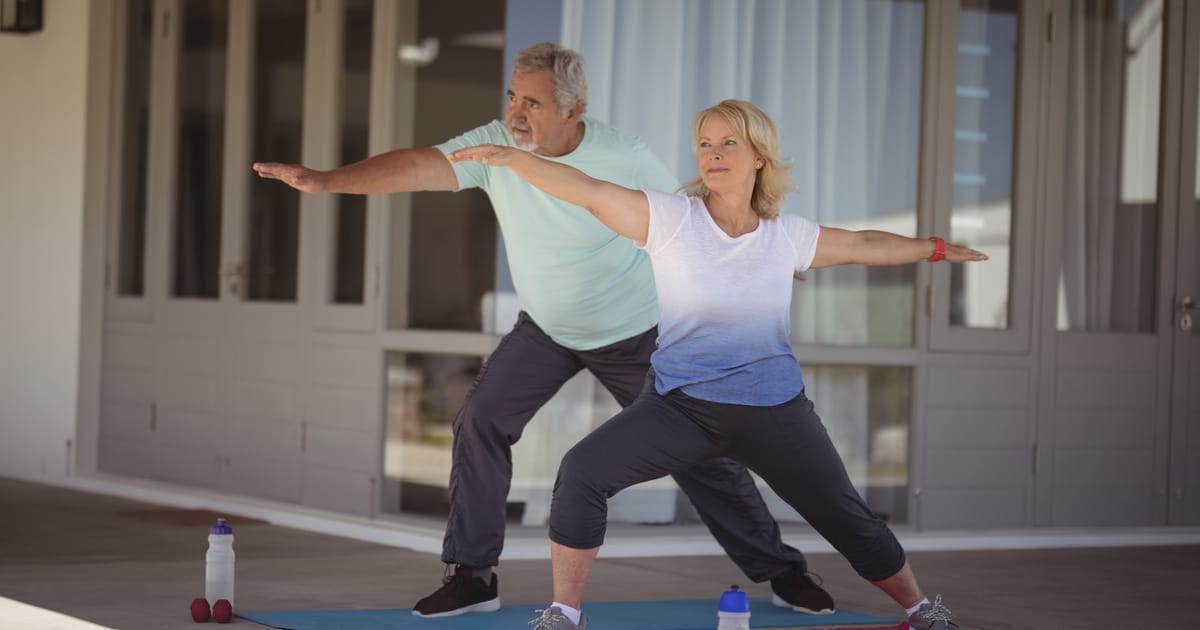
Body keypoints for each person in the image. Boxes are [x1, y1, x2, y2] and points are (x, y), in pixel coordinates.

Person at [253, 44, 833, 618]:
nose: (515, 112)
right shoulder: (495, 146)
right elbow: (415, 166)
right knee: (480, 420)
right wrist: (327, 182)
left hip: (635, 330)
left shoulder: (622, 154)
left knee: (701, 454)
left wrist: (762, 248)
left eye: (532, 101)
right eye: (512, 97)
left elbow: (695, 209)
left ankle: (782, 571)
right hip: (548, 327)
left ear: (572, 109)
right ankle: (473, 575)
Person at [448, 99, 980, 630]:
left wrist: (933, 248)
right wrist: (515, 160)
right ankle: (564, 613)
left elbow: (863, 244)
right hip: (680, 409)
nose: (714, 153)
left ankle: (922, 611)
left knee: (848, 518)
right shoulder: (671, 220)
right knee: (582, 472)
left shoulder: (785, 236)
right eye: (705, 143)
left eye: (730, 143)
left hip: (775, 413)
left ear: (758, 158)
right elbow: (588, 192)